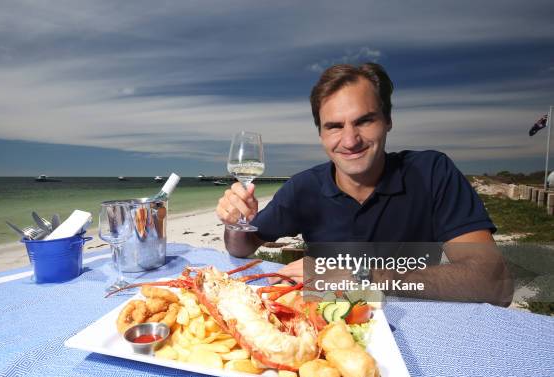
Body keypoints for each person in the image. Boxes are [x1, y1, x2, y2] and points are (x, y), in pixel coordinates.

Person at [216, 63, 512, 306]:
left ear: (388, 121)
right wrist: (235, 222)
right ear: (321, 135)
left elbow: (494, 282)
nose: (350, 140)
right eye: (334, 126)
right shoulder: (303, 186)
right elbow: (243, 246)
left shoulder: (432, 172)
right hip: (330, 327)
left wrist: (361, 276)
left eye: (364, 121)